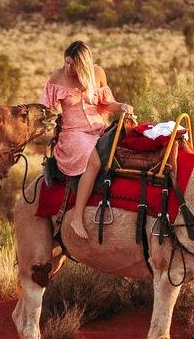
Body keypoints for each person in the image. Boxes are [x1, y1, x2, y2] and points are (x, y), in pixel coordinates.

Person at [41, 41, 133, 240]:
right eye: (66, 62)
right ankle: (77, 217)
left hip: (98, 129)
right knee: (95, 162)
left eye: (73, 64)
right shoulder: (58, 77)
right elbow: (44, 108)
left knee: (127, 147)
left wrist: (122, 106)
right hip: (73, 134)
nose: (68, 67)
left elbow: (106, 105)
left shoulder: (97, 73)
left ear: (84, 65)